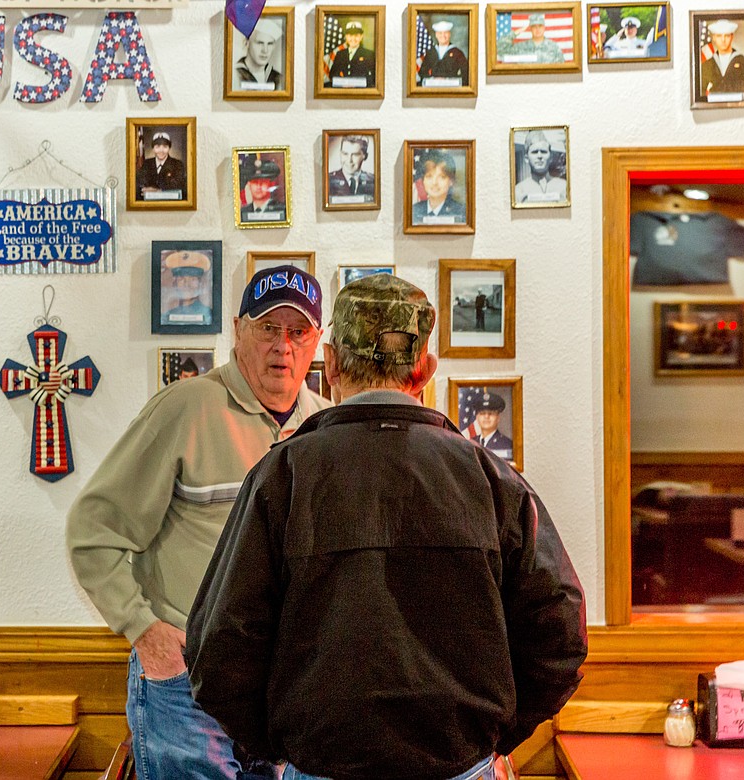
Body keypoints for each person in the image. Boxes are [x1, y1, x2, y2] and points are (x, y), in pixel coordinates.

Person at [187, 273, 587, 780]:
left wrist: (283, 747)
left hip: (321, 767)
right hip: (460, 766)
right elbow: (561, 632)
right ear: (425, 369)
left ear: (328, 364)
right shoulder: (491, 480)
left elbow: (218, 646)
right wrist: (490, 737)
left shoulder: (282, 476)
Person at [67, 267, 331, 780]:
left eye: (298, 332)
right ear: (237, 330)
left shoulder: (325, 426)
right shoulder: (184, 409)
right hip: (186, 685)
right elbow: (91, 533)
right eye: (267, 329)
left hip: (282, 693)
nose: (284, 347)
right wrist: (145, 632)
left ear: (317, 341)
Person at [700, 19, 744, 101]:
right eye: (719, 36)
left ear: (732, 36)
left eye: (727, 36)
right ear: (714, 38)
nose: (723, 40)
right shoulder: (706, 65)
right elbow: (702, 94)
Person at [411, 149, 465, 223]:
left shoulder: (461, 211)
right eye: (429, 176)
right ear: (423, 180)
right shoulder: (414, 210)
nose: (434, 182)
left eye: (442, 177)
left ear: (451, 181)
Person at [515, 130, 567, 204]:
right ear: (526, 158)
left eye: (543, 152)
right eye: (535, 152)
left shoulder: (564, 187)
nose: (539, 156)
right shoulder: (519, 191)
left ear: (551, 157)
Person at [163, 251, 212, 325]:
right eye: (181, 279)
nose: (186, 284)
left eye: (193, 279)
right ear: (174, 283)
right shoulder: (166, 317)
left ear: (200, 284)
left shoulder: (208, 316)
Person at [234, 18, 283, 89]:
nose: (265, 50)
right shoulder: (235, 75)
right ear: (246, 43)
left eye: (270, 44)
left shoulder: (278, 78)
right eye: (259, 43)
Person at [136, 131, 186, 200]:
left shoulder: (177, 164)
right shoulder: (147, 164)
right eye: (157, 147)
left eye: (165, 146)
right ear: (153, 149)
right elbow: (140, 184)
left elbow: (179, 185)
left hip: (171, 205)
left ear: (169, 148)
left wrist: (157, 190)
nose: (161, 150)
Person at [498, 12, 564, 64]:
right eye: (534, 26)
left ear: (544, 28)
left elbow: (561, 67)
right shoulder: (521, 47)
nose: (537, 29)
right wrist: (515, 33)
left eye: (540, 26)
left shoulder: (553, 47)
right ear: (530, 29)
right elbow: (500, 50)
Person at [418, 20, 468, 86]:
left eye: (445, 33)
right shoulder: (431, 52)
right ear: (436, 35)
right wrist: (432, 79)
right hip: (432, 86)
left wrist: (450, 80)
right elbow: (422, 72)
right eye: (440, 33)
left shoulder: (457, 53)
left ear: (449, 34)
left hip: (452, 87)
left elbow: (466, 73)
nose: (443, 36)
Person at [326, 20, 374, 87]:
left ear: (361, 37)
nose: (353, 38)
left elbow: (372, 78)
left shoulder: (368, 54)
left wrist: (355, 84)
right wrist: (343, 83)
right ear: (346, 37)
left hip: (360, 91)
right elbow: (332, 74)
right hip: (342, 90)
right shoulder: (340, 54)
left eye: (356, 35)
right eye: (350, 35)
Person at [470, 390, 514, 461]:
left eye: (491, 413)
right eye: (482, 413)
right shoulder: (470, 443)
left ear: (498, 418)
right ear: (477, 418)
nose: (486, 417)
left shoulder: (507, 444)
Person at [326, 135, 374, 200]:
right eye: (345, 154)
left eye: (355, 154)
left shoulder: (373, 181)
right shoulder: (328, 181)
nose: (349, 160)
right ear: (340, 154)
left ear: (365, 156)